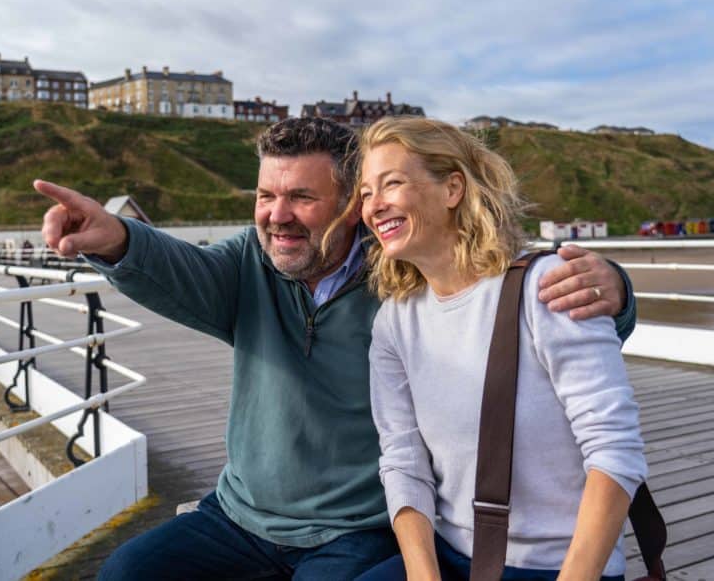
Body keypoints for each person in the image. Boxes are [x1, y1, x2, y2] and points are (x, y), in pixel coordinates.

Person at [34, 117, 637, 581]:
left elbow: (496, 282)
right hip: (241, 515)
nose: (277, 216)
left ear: (351, 206)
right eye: (266, 195)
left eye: (301, 197)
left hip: (357, 527)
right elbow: (180, 269)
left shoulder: (399, 274)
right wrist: (115, 240)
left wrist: (615, 287)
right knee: (124, 573)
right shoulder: (253, 263)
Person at [353, 118, 645, 581]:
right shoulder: (395, 320)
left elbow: (615, 452)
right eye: (366, 192)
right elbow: (402, 460)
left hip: (559, 565)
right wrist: (423, 576)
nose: (374, 205)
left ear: (452, 189)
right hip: (451, 555)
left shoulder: (547, 288)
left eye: (392, 184)